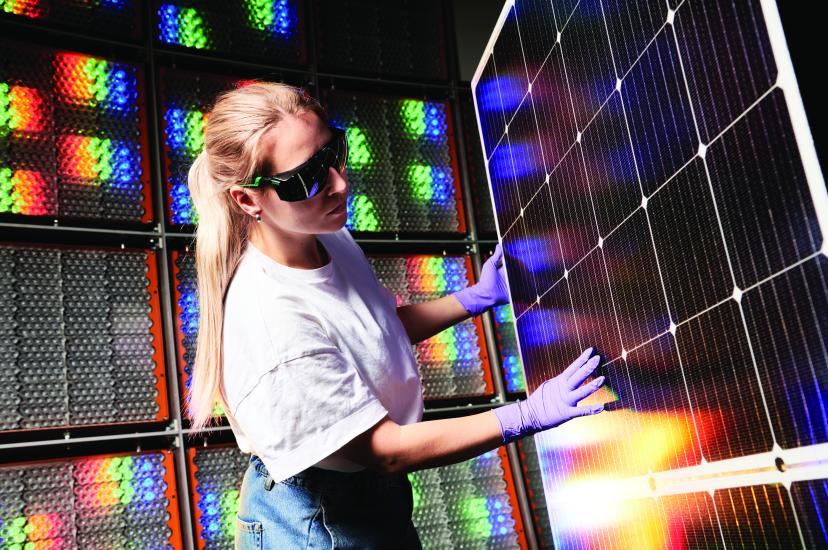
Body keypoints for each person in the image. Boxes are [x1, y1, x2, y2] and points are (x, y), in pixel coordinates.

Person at [185, 82, 607, 549]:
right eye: (308, 178)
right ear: (248, 200)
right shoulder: (272, 325)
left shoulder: (323, 234)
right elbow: (386, 449)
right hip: (315, 522)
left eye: (332, 154)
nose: (340, 183)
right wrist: (525, 416)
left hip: (366, 494)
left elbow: (372, 331)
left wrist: (476, 298)